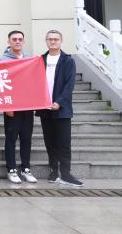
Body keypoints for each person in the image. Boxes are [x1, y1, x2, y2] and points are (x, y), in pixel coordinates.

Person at [37, 30, 83, 186]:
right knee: (49, 142)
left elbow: (69, 85)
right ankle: (54, 172)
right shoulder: (40, 60)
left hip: (62, 109)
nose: (53, 41)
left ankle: (66, 174)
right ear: (46, 41)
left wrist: (59, 102)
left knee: (63, 143)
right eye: (50, 39)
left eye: (56, 39)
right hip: (45, 108)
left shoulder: (68, 61)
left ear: (61, 41)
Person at [0, 30, 37, 184]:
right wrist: (6, 105)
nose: (17, 41)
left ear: (23, 41)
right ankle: (11, 170)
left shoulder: (30, 59)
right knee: (11, 139)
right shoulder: (2, 61)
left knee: (26, 138)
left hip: (27, 106)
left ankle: (26, 169)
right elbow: (0, 84)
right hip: (12, 106)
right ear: (8, 42)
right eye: (14, 39)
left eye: (20, 39)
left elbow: (35, 81)